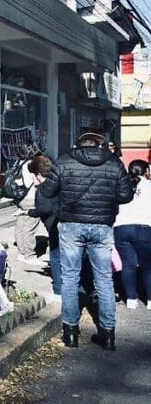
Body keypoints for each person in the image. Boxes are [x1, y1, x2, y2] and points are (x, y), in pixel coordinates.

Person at [41, 132, 133, 350]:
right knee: (104, 279)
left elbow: (47, 191)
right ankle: (108, 334)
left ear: (78, 145)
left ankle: (70, 333)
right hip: (102, 225)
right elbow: (125, 195)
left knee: (70, 278)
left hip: (71, 225)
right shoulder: (113, 163)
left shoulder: (64, 161)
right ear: (98, 145)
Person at [114, 159, 151, 310]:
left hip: (121, 228)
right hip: (144, 227)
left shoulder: (121, 185)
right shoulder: (149, 185)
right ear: (146, 171)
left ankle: (131, 298)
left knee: (128, 264)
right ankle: (150, 300)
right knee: (148, 266)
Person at [29, 155, 60, 301]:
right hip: (66, 224)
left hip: (54, 226)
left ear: (38, 174)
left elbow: (44, 209)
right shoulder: (58, 182)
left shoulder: (43, 188)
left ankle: (59, 289)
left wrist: (29, 212)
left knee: (56, 257)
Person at [15, 154, 43, 266]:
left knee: (20, 226)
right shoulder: (33, 164)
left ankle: (21, 253)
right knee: (29, 228)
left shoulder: (18, 163)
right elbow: (38, 181)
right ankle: (29, 255)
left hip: (21, 198)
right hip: (32, 198)